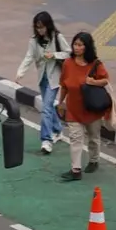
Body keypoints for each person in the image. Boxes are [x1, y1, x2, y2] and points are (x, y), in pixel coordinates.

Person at [56, 32, 109, 181]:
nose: (77, 48)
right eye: (75, 44)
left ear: (87, 47)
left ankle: (94, 160)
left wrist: (93, 82)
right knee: (75, 138)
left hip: (92, 108)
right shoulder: (68, 63)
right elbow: (64, 85)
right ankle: (76, 170)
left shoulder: (96, 64)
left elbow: (105, 80)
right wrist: (60, 102)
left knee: (93, 138)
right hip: (73, 109)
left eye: (80, 45)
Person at [15, 11, 70, 154]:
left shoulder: (57, 37)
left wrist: (54, 55)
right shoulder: (34, 41)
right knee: (48, 106)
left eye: (42, 27)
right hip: (42, 78)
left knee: (46, 108)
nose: (40, 30)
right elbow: (29, 57)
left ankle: (46, 140)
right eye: (37, 27)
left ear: (48, 25)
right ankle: (57, 130)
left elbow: (69, 53)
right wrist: (20, 73)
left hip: (54, 78)